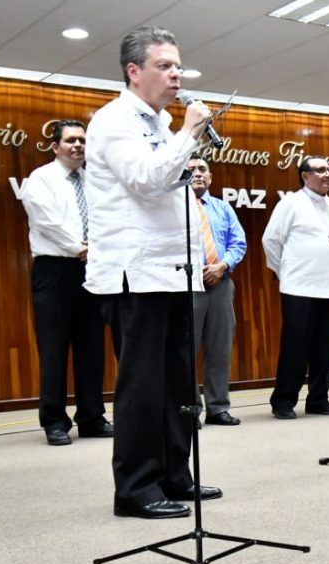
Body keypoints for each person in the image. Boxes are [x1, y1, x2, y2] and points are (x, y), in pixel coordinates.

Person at [84, 26, 220, 520]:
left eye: (178, 65)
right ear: (134, 71)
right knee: (143, 386)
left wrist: (179, 133)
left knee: (179, 386)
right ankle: (136, 488)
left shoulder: (161, 123)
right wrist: (189, 133)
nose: (176, 74)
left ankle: (174, 475)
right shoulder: (114, 119)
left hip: (175, 272)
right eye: (165, 65)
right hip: (135, 274)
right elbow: (146, 180)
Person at [18, 120, 112, 446]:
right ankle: (55, 421)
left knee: (91, 350)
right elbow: (45, 221)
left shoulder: (95, 182)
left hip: (92, 270)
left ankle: (91, 417)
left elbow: (106, 219)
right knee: (54, 350)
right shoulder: (40, 180)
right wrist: (79, 247)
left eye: (83, 141)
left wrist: (96, 250)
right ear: (56, 146)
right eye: (71, 140)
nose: (78, 146)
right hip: (55, 270)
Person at [262, 156, 329, 420]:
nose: (328, 174)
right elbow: (271, 240)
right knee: (295, 347)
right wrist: (283, 272)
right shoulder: (291, 202)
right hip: (299, 287)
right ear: (305, 176)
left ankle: (319, 399)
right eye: (320, 170)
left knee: (325, 347)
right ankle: (284, 400)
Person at [187, 156, 247, 426]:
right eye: (190, 170)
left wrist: (222, 265)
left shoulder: (223, 208)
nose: (197, 174)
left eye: (202, 170)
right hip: (188, 286)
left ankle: (218, 407)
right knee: (185, 350)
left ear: (210, 177)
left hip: (221, 283)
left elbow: (238, 242)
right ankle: (189, 409)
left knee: (219, 349)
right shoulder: (174, 208)